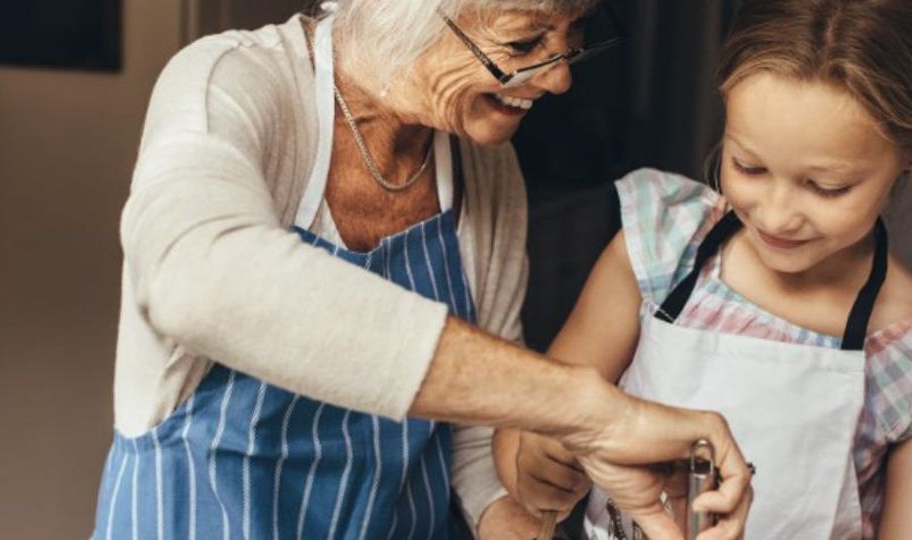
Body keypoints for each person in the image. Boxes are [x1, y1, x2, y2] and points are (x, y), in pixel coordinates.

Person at [90, 0, 752, 538]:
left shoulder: (485, 168)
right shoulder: (233, 85)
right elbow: (197, 279)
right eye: (524, 42)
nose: (559, 77)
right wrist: (588, 409)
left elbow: (469, 438)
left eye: (573, 32)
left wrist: (528, 517)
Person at [494, 0, 912, 538]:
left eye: (827, 187)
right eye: (749, 166)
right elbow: (527, 428)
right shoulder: (662, 247)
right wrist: (534, 462)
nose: (777, 215)